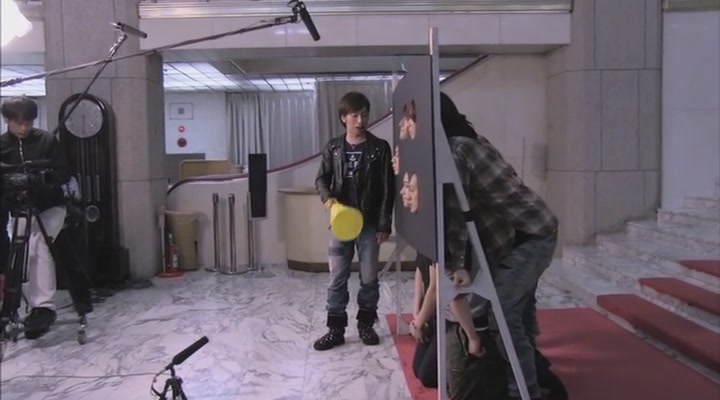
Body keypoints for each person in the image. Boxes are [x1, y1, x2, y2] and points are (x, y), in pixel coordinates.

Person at [440, 92, 560, 400]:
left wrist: (458, 265)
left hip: (530, 234)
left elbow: (457, 212)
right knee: (520, 312)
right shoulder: (472, 139)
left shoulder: (454, 150)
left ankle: (525, 391)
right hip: (531, 227)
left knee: (504, 316)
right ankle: (531, 374)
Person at [313, 91, 395, 350]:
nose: (361, 121)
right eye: (355, 115)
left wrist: (384, 223)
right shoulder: (333, 148)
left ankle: (366, 325)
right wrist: (328, 200)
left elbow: (388, 188)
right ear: (343, 118)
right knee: (337, 278)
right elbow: (321, 179)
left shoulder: (379, 148)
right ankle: (335, 330)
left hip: (369, 223)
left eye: (365, 115)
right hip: (341, 223)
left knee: (369, 278)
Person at [0, 96, 71, 339]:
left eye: (28, 122)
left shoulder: (47, 141)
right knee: (19, 251)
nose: (24, 127)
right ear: (8, 120)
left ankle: (43, 307)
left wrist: (40, 179)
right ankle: (21, 307)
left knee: (37, 244)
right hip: (19, 209)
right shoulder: (2, 145)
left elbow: (64, 173)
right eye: (19, 123)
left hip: (50, 207)